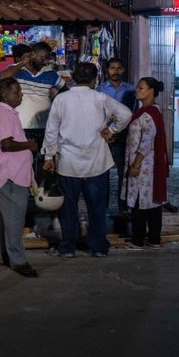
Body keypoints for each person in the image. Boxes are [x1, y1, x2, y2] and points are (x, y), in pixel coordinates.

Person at [42, 62, 132, 258]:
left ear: (73, 78)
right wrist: (113, 130)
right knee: (97, 208)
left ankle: (68, 247)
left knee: (68, 208)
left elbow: (51, 130)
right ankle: (98, 246)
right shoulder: (100, 98)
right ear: (94, 79)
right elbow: (125, 114)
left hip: (68, 163)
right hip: (96, 162)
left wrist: (49, 156)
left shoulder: (61, 99)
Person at [0, 77, 39, 277]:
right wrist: (29, 145)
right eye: (17, 92)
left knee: (11, 220)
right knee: (15, 221)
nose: (20, 95)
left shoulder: (9, 114)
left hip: (16, 174)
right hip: (12, 176)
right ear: (5, 94)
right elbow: (6, 144)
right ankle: (18, 261)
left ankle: (6, 255)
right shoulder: (3, 114)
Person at [0, 41, 66, 172]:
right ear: (33, 55)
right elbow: (2, 76)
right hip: (21, 126)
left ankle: (38, 190)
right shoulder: (17, 70)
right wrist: (23, 63)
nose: (45, 61)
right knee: (22, 160)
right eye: (43, 57)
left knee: (42, 162)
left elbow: (65, 91)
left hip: (44, 126)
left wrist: (54, 97)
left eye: (48, 57)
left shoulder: (51, 74)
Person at [123, 77, 170, 249]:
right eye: (137, 87)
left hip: (144, 164)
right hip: (146, 163)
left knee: (140, 202)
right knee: (151, 203)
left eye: (141, 88)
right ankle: (153, 239)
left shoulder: (149, 115)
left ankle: (138, 239)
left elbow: (146, 142)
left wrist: (136, 165)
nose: (137, 90)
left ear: (151, 91)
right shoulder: (146, 112)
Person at [96, 57, 137, 213]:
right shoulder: (100, 90)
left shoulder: (131, 90)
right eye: (112, 68)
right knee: (102, 172)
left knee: (123, 172)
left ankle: (123, 206)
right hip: (105, 136)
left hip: (123, 135)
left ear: (123, 70)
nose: (115, 71)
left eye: (119, 68)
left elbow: (132, 112)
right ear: (107, 70)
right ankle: (103, 207)